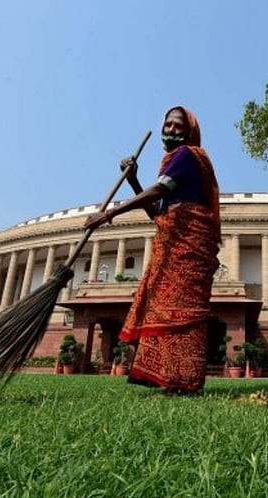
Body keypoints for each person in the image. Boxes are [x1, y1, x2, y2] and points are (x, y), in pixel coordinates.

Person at [84, 106, 220, 395]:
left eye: (177, 126)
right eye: (167, 125)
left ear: (190, 131)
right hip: (171, 243)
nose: (170, 130)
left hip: (189, 245)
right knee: (166, 309)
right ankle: (166, 377)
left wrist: (108, 214)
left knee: (182, 311)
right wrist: (133, 180)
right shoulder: (171, 162)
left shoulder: (187, 156)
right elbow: (157, 214)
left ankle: (185, 379)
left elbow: (159, 190)